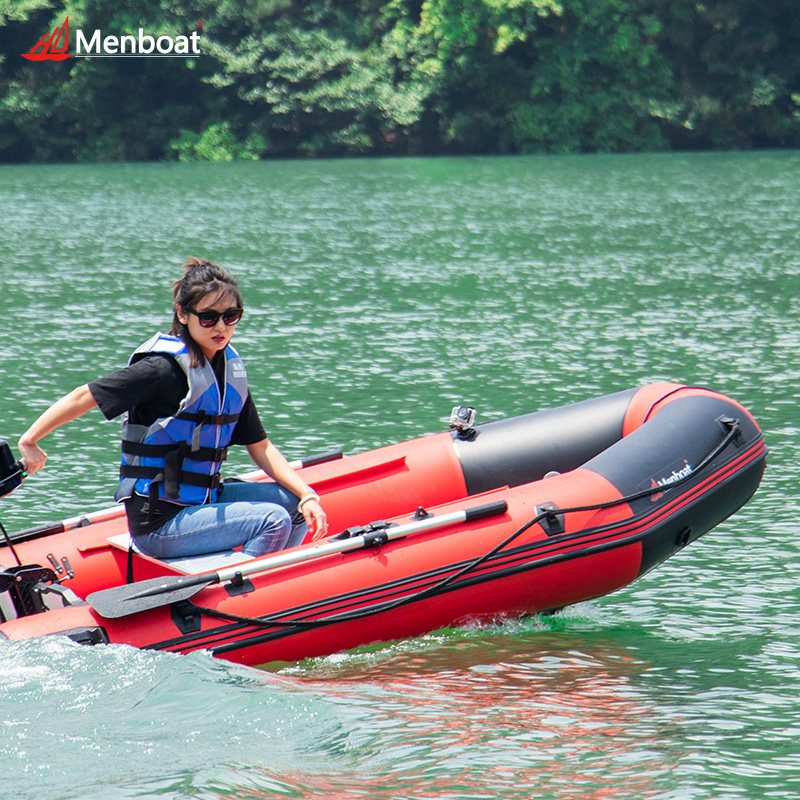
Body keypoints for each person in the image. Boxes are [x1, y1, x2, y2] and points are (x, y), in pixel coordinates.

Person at [17, 258, 327, 560]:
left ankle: (270, 582)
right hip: (160, 523)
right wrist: (30, 440)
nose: (221, 326)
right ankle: (244, 594)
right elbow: (83, 397)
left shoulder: (226, 370)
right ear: (182, 314)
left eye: (231, 316)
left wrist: (307, 494)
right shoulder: (161, 369)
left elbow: (261, 447)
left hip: (206, 499)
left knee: (293, 504)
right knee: (272, 518)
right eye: (208, 317)